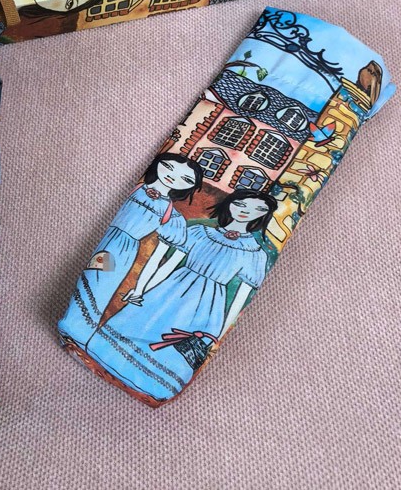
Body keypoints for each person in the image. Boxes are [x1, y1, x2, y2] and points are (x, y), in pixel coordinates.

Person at [84, 189, 277, 402]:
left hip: (207, 304)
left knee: (172, 350)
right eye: (241, 204)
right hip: (171, 288)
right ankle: (103, 356)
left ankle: (151, 385)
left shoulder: (255, 253)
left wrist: (218, 333)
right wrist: (141, 290)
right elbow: (169, 265)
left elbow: (241, 299)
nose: (246, 211)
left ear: (263, 215)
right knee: (142, 323)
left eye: (258, 209)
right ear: (230, 204)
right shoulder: (199, 232)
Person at [57, 153, 203, 351]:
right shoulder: (136, 188)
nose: (172, 176)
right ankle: (74, 327)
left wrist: (140, 288)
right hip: (109, 239)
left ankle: (80, 331)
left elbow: (157, 257)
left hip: (122, 252)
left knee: (101, 285)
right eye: (168, 167)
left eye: (185, 179)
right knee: (90, 280)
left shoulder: (171, 215)